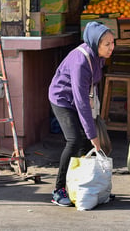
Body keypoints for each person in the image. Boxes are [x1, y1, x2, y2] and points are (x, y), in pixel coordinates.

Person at [48, 21, 115, 206]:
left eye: (112, 42)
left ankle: (86, 186)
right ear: (96, 43)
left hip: (81, 99)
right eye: (107, 44)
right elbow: (80, 101)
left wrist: (94, 120)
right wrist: (92, 133)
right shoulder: (80, 61)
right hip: (62, 99)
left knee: (85, 144)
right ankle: (58, 189)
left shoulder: (98, 56)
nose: (112, 48)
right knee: (75, 140)